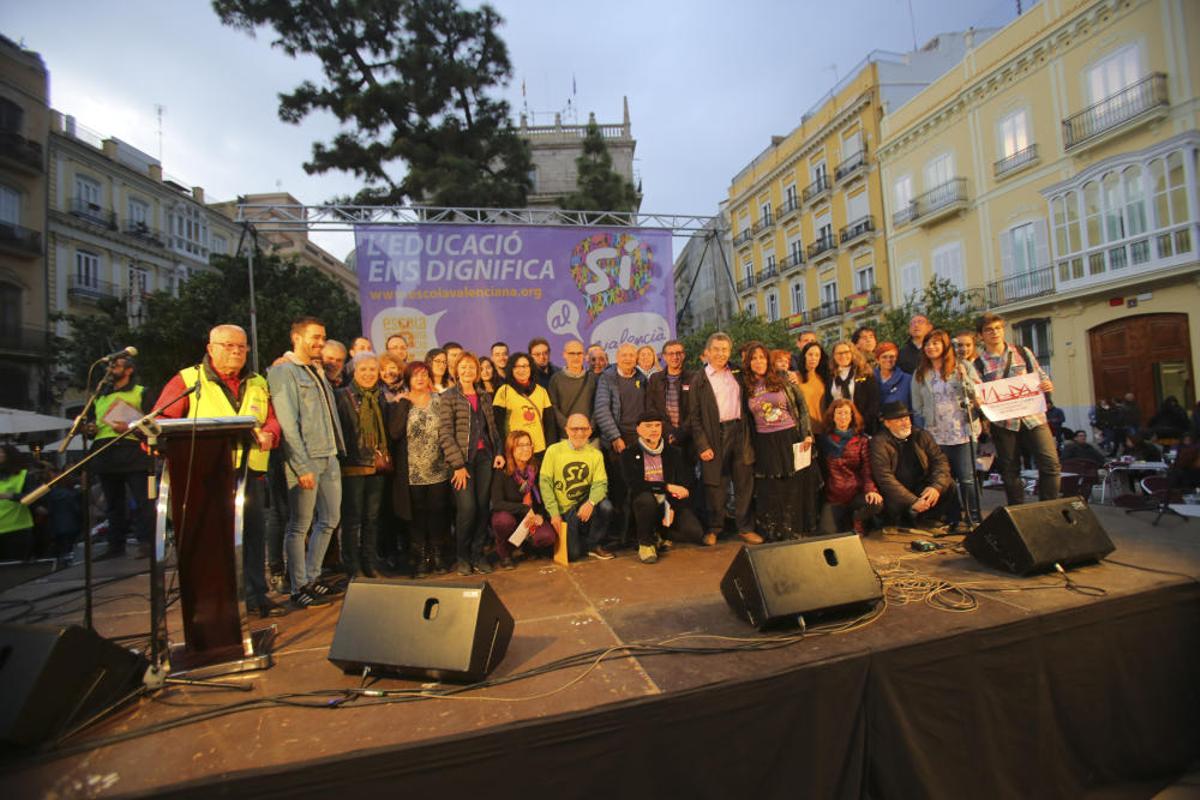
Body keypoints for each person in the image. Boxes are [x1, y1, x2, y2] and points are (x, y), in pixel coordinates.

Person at [157, 323, 289, 617]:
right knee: (214, 541)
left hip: (249, 473)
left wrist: (270, 433)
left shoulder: (257, 381)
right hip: (206, 473)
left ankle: (256, 596)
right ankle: (218, 601)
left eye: (241, 346)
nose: (236, 351)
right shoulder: (188, 380)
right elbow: (162, 420)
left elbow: (271, 419)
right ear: (210, 348)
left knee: (253, 538)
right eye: (228, 345)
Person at [268, 316, 347, 609]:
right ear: (297, 338)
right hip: (306, 458)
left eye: (323, 337)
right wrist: (300, 466)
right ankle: (297, 585)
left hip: (329, 454)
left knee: (329, 519)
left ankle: (312, 577)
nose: (320, 343)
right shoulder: (283, 372)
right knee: (299, 525)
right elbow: (288, 424)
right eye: (315, 337)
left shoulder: (316, 370)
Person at [973, 312, 1060, 504]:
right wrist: (980, 403)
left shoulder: (1022, 352)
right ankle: (1018, 510)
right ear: (981, 335)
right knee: (1010, 470)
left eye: (998, 328)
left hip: (1034, 417)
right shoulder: (978, 364)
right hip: (1004, 423)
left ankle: (1049, 506)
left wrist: (1047, 384)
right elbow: (978, 393)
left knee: (1050, 464)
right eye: (988, 330)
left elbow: (1040, 375)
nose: (994, 333)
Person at [688, 332, 760, 546]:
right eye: (716, 349)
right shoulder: (698, 380)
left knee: (744, 483)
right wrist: (702, 445)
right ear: (707, 352)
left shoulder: (738, 372)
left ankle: (745, 528)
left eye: (725, 350)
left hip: (740, 432)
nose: (721, 354)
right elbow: (694, 417)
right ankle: (715, 528)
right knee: (715, 486)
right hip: (714, 435)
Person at [741, 341, 816, 541]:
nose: (758, 361)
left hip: (789, 436)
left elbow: (801, 406)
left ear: (768, 360)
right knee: (770, 488)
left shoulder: (783, 378)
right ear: (748, 363)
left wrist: (807, 433)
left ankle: (793, 530)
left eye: (762, 357)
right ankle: (774, 531)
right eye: (754, 358)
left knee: (792, 484)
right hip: (763, 441)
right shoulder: (745, 386)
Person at [439, 351, 505, 575]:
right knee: (467, 509)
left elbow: (492, 428)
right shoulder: (449, 396)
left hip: (485, 458)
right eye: (463, 367)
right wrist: (457, 465)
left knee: (482, 508)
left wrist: (498, 451)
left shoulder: (484, 395)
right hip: (462, 462)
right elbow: (445, 433)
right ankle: (462, 556)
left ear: (478, 372)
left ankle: (478, 553)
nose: (468, 371)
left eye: (472, 367)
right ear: (456, 370)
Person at [911, 329, 983, 527]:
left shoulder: (963, 366)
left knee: (967, 479)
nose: (931, 347)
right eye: (927, 344)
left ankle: (974, 518)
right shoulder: (920, 373)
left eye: (935, 343)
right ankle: (953, 517)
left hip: (963, 431)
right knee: (945, 480)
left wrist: (964, 379)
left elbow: (977, 394)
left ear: (945, 346)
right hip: (936, 434)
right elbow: (916, 406)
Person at [388, 361, 452, 577]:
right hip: (412, 471)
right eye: (415, 375)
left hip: (438, 469)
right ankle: (421, 557)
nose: (421, 378)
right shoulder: (401, 402)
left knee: (438, 513)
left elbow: (448, 431)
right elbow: (395, 433)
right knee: (417, 516)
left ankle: (438, 555)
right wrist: (403, 406)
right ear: (408, 379)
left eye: (424, 374)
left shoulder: (440, 400)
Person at [88, 353, 154, 560]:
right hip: (105, 451)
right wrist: (89, 428)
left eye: (116, 366)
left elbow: (154, 423)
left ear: (129, 370)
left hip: (133, 449)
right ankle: (116, 544)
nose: (111, 369)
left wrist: (131, 426)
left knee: (143, 500)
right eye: (109, 367)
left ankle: (146, 542)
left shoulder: (141, 392)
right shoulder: (99, 396)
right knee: (113, 503)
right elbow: (93, 421)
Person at [333, 352, 390, 580]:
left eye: (372, 369)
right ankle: (352, 567)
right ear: (354, 372)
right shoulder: (342, 396)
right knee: (352, 519)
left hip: (377, 465)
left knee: (372, 518)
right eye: (363, 369)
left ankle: (369, 563)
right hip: (352, 465)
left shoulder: (380, 397)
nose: (368, 374)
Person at [621, 411, 703, 563]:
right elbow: (636, 485)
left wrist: (671, 506)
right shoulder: (628, 454)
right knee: (646, 499)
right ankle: (645, 544)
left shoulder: (674, 452)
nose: (654, 429)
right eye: (648, 426)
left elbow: (684, 483)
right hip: (644, 504)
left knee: (696, 533)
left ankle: (659, 533)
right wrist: (667, 487)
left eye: (657, 425)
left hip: (667, 503)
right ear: (638, 429)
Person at [869, 401, 961, 530]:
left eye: (906, 418)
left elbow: (940, 462)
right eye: (899, 420)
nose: (905, 423)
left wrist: (936, 487)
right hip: (897, 492)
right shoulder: (879, 442)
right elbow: (885, 478)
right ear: (887, 423)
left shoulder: (921, 435)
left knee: (949, 484)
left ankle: (932, 519)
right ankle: (906, 519)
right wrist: (912, 500)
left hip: (921, 486)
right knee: (892, 501)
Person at [539, 413, 614, 561]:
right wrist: (554, 513)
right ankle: (579, 541)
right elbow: (545, 484)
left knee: (606, 507)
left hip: (584, 503)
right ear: (566, 430)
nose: (579, 433)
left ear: (590, 431)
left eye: (584, 429)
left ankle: (593, 544)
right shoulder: (553, 451)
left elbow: (601, 484)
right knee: (573, 555)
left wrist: (591, 503)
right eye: (574, 429)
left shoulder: (596, 454)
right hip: (564, 508)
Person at [594, 342, 647, 546]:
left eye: (631, 355)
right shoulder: (607, 378)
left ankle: (633, 534)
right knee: (619, 489)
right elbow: (601, 410)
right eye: (624, 355)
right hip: (618, 440)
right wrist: (615, 437)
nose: (627, 358)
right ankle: (618, 536)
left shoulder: (641, 378)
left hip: (640, 440)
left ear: (636, 357)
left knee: (638, 488)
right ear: (617, 356)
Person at [491, 430, 558, 569]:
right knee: (503, 521)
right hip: (511, 516)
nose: (526, 449)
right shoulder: (502, 470)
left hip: (531, 518)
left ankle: (527, 545)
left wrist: (540, 515)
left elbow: (547, 495)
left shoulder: (537, 467)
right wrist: (525, 509)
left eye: (528, 444)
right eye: (520, 445)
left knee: (547, 537)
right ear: (511, 449)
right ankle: (505, 553)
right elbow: (497, 503)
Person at [817, 400, 882, 535]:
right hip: (832, 496)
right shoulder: (823, 440)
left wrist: (871, 490)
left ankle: (857, 519)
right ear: (832, 417)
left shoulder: (861, 440)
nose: (843, 417)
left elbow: (866, 469)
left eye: (847, 413)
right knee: (828, 534)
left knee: (876, 503)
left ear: (852, 416)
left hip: (855, 494)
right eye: (839, 413)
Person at [493, 352, 554, 457]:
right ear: (511, 369)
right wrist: (502, 451)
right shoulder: (504, 391)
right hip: (515, 450)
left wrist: (550, 449)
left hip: (539, 449)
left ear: (531, 368)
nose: (521, 370)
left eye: (525, 366)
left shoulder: (541, 391)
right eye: (516, 366)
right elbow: (497, 426)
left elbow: (550, 424)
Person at [646, 340, 694, 450]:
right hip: (663, 436)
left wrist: (681, 433)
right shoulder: (655, 379)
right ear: (664, 357)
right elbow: (651, 408)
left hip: (689, 437)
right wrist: (668, 431)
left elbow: (695, 409)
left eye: (678, 353)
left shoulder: (694, 378)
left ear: (683, 355)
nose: (675, 357)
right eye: (670, 354)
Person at [547, 339, 596, 443]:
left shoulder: (593, 379)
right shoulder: (555, 379)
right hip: (566, 437)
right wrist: (570, 428)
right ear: (564, 355)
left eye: (579, 353)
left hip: (590, 437)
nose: (576, 357)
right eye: (572, 353)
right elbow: (553, 406)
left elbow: (598, 406)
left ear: (584, 355)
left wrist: (589, 428)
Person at [828, 340, 881, 435]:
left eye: (846, 352)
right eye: (839, 353)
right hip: (839, 426)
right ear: (833, 356)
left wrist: (862, 421)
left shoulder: (864, 373)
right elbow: (829, 402)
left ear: (852, 353)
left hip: (863, 425)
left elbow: (874, 401)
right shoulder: (830, 376)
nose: (843, 356)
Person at [0, 444, 39, 561]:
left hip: (17, 529)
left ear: (10, 456)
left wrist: (10, 495)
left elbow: (33, 497)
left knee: (15, 568)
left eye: (1, 452)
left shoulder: (24, 475)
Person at [796, 341, 830, 432]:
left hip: (824, 429)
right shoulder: (795, 378)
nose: (813, 358)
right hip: (804, 430)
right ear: (804, 356)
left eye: (817, 355)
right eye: (810, 354)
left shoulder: (824, 378)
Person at [875, 341, 913, 412]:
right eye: (884, 357)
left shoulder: (907, 380)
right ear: (877, 360)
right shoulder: (870, 379)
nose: (888, 360)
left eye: (892, 357)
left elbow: (912, 406)